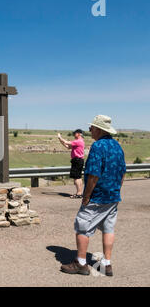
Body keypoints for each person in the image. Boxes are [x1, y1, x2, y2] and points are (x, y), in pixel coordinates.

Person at [60, 115, 126, 277]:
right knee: (108, 228)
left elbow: (94, 175)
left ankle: (81, 263)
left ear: (99, 129)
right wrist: (117, 189)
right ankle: (106, 264)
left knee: (82, 226)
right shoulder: (117, 146)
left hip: (97, 196)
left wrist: (86, 196)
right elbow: (122, 171)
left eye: (92, 127)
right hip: (113, 196)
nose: (89, 130)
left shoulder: (98, 146)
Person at [57, 129, 85, 198]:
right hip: (79, 160)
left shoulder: (78, 141)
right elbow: (68, 147)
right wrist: (60, 140)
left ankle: (79, 193)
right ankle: (80, 193)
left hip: (77, 160)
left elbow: (66, 142)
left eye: (75, 133)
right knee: (78, 177)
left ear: (79, 134)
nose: (73, 135)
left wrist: (60, 137)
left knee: (76, 178)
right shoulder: (79, 142)